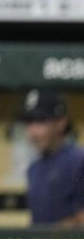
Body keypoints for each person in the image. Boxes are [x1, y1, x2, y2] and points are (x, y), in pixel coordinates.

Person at [20, 89, 84, 226]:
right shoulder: (33, 168)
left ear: (61, 122)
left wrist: (45, 236)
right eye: (29, 122)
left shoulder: (79, 161)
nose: (33, 132)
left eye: (41, 121)